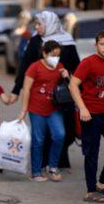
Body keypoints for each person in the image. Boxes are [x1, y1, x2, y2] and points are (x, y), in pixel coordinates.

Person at [9, 11, 80, 170]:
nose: (37, 27)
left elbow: (77, 67)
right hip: (40, 92)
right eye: (37, 24)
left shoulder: (67, 40)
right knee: (42, 132)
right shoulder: (35, 41)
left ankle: (60, 160)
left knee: (66, 130)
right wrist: (16, 90)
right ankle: (43, 163)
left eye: (40, 24)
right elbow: (25, 67)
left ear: (50, 24)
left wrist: (80, 89)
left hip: (63, 93)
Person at [69, 30, 104, 203]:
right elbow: (73, 85)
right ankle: (91, 191)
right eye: (102, 44)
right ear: (96, 45)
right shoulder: (88, 63)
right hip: (91, 115)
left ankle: (103, 183)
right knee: (92, 153)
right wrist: (82, 109)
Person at [18, 40, 69, 182]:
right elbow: (26, 89)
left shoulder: (59, 67)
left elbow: (69, 86)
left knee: (59, 135)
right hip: (36, 109)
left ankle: (52, 166)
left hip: (54, 108)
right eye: (53, 55)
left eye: (58, 55)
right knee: (38, 140)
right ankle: (36, 172)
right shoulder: (34, 67)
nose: (56, 58)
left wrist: (67, 76)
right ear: (45, 53)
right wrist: (24, 110)